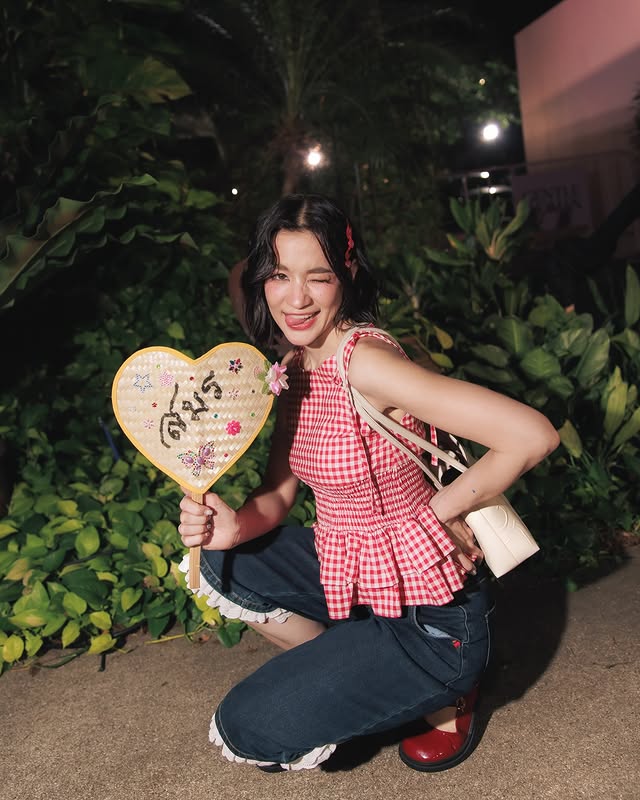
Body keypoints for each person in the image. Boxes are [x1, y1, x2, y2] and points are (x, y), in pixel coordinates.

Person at [177, 193, 559, 773]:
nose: (296, 298)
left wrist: (438, 513)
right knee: (221, 560)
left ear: (347, 274)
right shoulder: (295, 362)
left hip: (433, 615)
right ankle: (354, 661)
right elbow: (279, 494)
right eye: (279, 275)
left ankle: (443, 687)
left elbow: (532, 435)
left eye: (318, 276)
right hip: (358, 574)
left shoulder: (365, 363)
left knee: (246, 724)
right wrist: (233, 527)